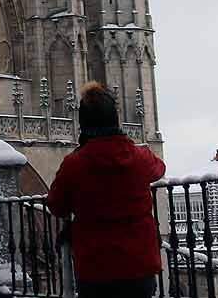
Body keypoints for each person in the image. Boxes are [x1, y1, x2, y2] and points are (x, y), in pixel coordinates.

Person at [45, 83, 166, 298]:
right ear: (115, 120)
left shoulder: (74, 164)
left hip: (96, 267)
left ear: (83, 123)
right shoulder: (139, 158)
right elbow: (159, 169)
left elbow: (56, 205)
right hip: (139, 265)